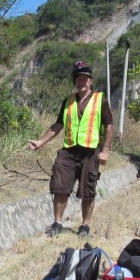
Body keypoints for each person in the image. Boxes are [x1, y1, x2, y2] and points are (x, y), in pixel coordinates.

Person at [28, 60, 115, 237]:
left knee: (88, 190)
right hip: (69, 151)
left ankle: (85, 226)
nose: (81, 81)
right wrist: (40, 141)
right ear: (74, 81)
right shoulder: (68, 101)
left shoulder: (100, 99)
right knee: (60, 186)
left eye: (84, 78)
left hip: (90, 151)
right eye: (78, 78)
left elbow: (109, 124)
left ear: (90, 81)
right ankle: (57, 223)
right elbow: (58, 124)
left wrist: (106, 150)